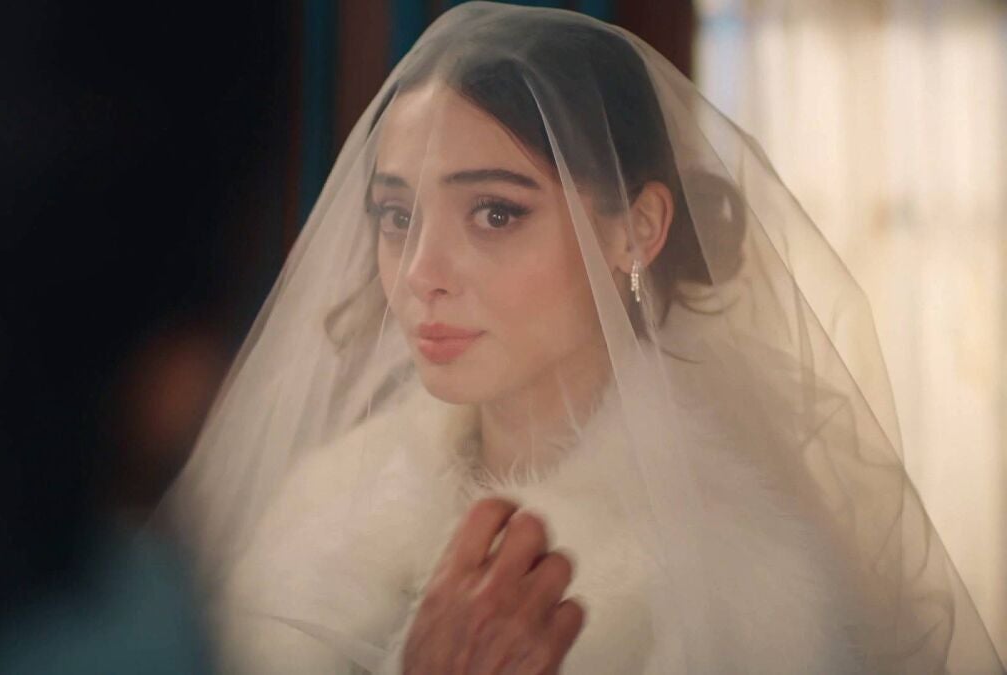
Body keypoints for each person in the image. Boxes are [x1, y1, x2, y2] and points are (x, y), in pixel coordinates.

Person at [164, 3, 1004, 673]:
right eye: (395, 214)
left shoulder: (745, 595)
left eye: (495, 213)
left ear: (635, 231)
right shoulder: (319, 512)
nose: (420, 272)